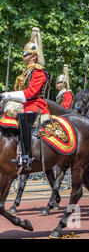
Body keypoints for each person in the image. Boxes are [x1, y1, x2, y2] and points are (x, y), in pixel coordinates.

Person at [0, 28, 49, 171]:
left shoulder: (39, 72)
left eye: (26, 54)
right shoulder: (27, 72)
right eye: (24, 54)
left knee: (24, 117)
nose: (24, 57)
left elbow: (30, 93)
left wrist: (8, 95)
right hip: (24, 104)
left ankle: (26, 156)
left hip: (36, 104)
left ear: (34, 57)